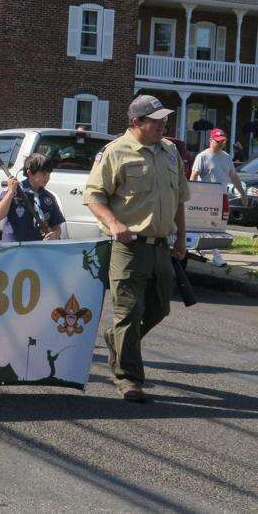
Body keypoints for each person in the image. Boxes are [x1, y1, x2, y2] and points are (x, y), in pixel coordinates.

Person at [83, 95, 190, 403]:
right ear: (136, 122)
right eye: (155, 121)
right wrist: (114, 223)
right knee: (128, 312)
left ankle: (117, 340)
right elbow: (94, 196)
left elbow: (179, 199)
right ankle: (128, 379)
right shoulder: (115, 152)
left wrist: (181, 239)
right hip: (129, 247)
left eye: (164, 120)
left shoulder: (169, 152)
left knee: (159, 308)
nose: (162, 125)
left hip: (162, 247)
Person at [0, 153, 64, 242]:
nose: (47, 178)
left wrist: (55, 235)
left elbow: (56, 226)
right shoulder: (14, 191)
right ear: (30, 173)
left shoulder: (48, 197)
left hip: (38, 247)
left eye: (49, 174)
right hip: (15, 247)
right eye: (43, 174)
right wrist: (11, 192)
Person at [190, 128, 248, 206]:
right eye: (218, 141)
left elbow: (234, 176)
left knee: (222, 218)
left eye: (223, 141)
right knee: (205, 218)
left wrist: (242, 194)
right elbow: (194, 176)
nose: (221, 143)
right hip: (205, 197)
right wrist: (192, 195)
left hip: (222, 197)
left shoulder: (227, 157)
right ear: (210, 140)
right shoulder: (202, 156)